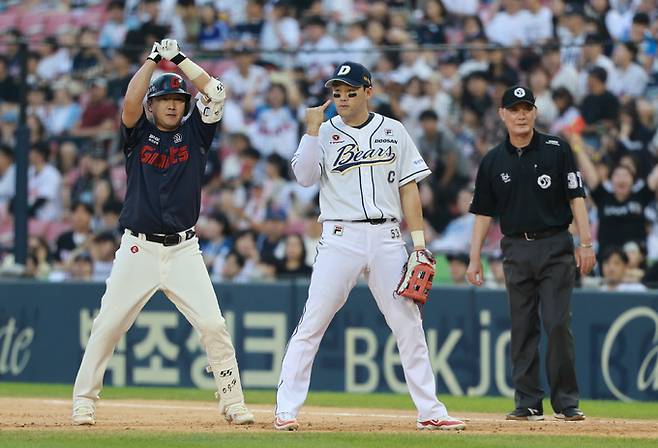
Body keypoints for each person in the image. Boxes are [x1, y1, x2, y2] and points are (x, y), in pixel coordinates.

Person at [274, 61, 465, 432]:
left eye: (349, 91)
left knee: (409, 325)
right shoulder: (323, 132)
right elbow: (304, 176)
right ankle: (286, 409)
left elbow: (409, 188)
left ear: (367, 91)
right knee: (313, 322)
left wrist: (420, 244)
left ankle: (431, 411)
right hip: (340, 237)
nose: (342, 98)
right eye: (336, 92)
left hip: (388, 238)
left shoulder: (393, 131)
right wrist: (311, 132)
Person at [71, 39, 254, 427]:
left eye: (179, 99)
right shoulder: (137, 135)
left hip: (184, 249)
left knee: (213, 325)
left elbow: (216, 91)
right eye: (165, 98)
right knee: (108, 324)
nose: (173, 103)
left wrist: (181, 61)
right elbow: (129, 104)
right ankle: (84, 401)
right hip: (138, 248)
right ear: (153, 105)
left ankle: (233, 401)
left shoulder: (196, 135)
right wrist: (153, 61)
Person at [466, 86, 596, 422]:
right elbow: (482, 212)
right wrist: (473, 257)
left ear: (535, 112)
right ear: (503, 115)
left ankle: (566, 401)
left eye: (527, 108)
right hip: (515, 247)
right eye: (514, 109)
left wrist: (585, 242)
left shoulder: (557, 149)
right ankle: (527, 401)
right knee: (522, 327)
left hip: (555, 245)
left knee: (556, 324)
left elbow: (576, 197)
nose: (521, 115)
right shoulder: (493, 160)